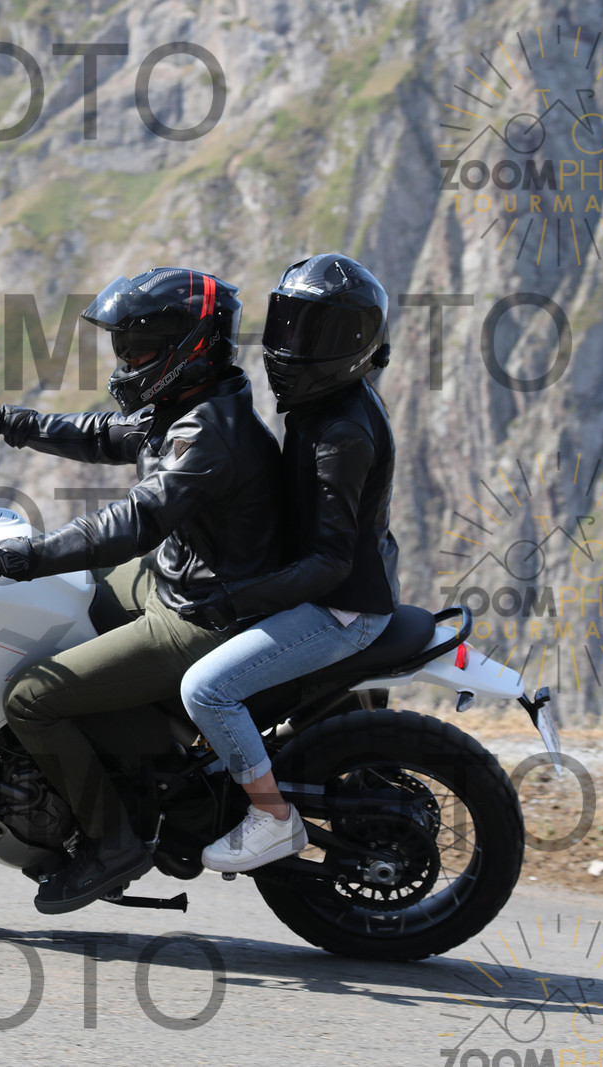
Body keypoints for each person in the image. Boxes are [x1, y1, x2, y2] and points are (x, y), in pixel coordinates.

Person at [0, 267, 284, 913]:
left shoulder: (208, 433)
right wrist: (1, 419)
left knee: (30, 697)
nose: (126, 360)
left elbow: (129, 524)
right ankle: (125, 756)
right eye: (122, 346)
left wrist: (14, 556)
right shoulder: (192, 404)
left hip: (201, 616)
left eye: (139, 347)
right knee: (61, 601)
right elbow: (103, 435)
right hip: (177, 578)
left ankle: (111, 841)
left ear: (189, 347)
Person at [176, 253, 400, 873]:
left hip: (342, 609)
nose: (290, 346)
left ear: (353, 346)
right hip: (333, 589)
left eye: (314, 334)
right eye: (288, 324)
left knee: (207, 690)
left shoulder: (341, 434)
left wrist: (233, 602)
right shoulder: (327, 404)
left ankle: (272, 818)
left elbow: (330, 563)